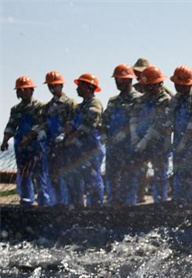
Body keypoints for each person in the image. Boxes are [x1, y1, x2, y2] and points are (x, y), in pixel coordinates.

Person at [1, 76, 54, 206]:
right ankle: (26, 200)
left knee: (40, 173)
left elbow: (41, 124)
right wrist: (5, 140)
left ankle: (44, 201)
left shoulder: (40, 107)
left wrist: (29, 137)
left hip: (37, 145)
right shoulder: (16, 109)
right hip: (21, 146)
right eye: (19, 90)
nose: (21, 92)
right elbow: (11, 125)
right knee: (24, 173)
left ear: (31, 90)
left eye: (24, 89)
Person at [131, 65, 172, 204]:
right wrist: (135, 136)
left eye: (150, 86)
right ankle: (139, 198)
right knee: (139, 171)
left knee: (160, 173)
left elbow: (159, 124)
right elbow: (134, 117)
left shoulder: (165, 100)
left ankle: (160, 202)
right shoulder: (141, 100)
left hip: (159, 142)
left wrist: (144, 141)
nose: (148, 89)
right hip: (141, 141)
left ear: (158, 84)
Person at [61, 73, 104, 207]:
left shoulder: (95, 104)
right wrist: (64, 135)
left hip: (91, 146)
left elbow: (88, 124)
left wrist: (72, 137)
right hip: (78, 148)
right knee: (76, 177)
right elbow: (71, 123)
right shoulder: (78, 107)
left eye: (80, 86)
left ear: (89, 87)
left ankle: (95, 206)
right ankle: (78, 206)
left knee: (92, 176)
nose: (77, 89)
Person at [169, 65, 192, 209]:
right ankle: (178, 204)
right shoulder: (176, 99)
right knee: (178, 173)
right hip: (178, 140)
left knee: (188, 176)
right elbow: (168, 119)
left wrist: (182, 144)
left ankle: (190, 208)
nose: (177, 87)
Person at [102, 64, 140, 206]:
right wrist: (104, 135)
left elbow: (141, 124)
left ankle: (130, 204)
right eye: (117, 79)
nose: (118, 83)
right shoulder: (113, 101)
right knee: (112, 176)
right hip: (113, 146)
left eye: (121, 80)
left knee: (130, 176)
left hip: (131, 146)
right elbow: (104, 120)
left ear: (130, 80)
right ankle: (112, 202)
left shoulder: (139, 99)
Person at [41, 71, 76, 205]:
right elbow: (44, 122)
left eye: (54, 86)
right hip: (50, 144)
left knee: (66, 173)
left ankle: (68, 203)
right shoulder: (48, 106)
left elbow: (73, 122)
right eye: (50, 86)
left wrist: (64, 136)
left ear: (61, 86)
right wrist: (41, 132)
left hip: (65, 145)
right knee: (52, 174)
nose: (52, 89)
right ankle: (56, 202)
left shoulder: (70, 103)